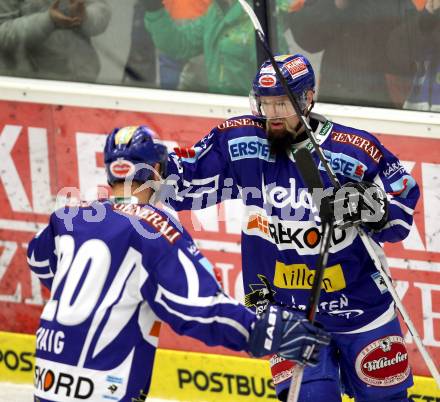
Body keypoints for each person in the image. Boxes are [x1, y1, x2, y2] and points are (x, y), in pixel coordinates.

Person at [163, 54, 420, 401]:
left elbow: (401, 210)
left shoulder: (352, 150)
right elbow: (184, 185)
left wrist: (370, 206)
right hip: (282, 311)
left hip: (361, 308)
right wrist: (156, 166)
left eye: (281, 103)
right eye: (264, 104)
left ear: (308, 98)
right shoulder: (242, 143)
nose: (272, 114)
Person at [27, 125, 330, 401]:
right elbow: (198, 309)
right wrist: (265, 330)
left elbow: (38, 259)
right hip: (104, 384)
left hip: (48, 376)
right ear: (157, 170)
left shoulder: (70, 215)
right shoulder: (154, 227)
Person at [143, 0, 291, 96]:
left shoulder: (260, 19)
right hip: (217, 107)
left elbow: (279, 85)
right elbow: (181, 44)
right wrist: (154, 9)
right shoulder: (217, 10)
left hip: (248, 116)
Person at [286, 0, 408, 108]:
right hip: (337, 95)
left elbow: (412, 41)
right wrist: (336, 4)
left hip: (386, 94)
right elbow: (308, 39)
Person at [0, 0, 111, 82]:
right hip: (30, 88)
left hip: (87, 82)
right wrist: (48, 21)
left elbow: (101, 8)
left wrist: (86, 15)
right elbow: (3, 34)